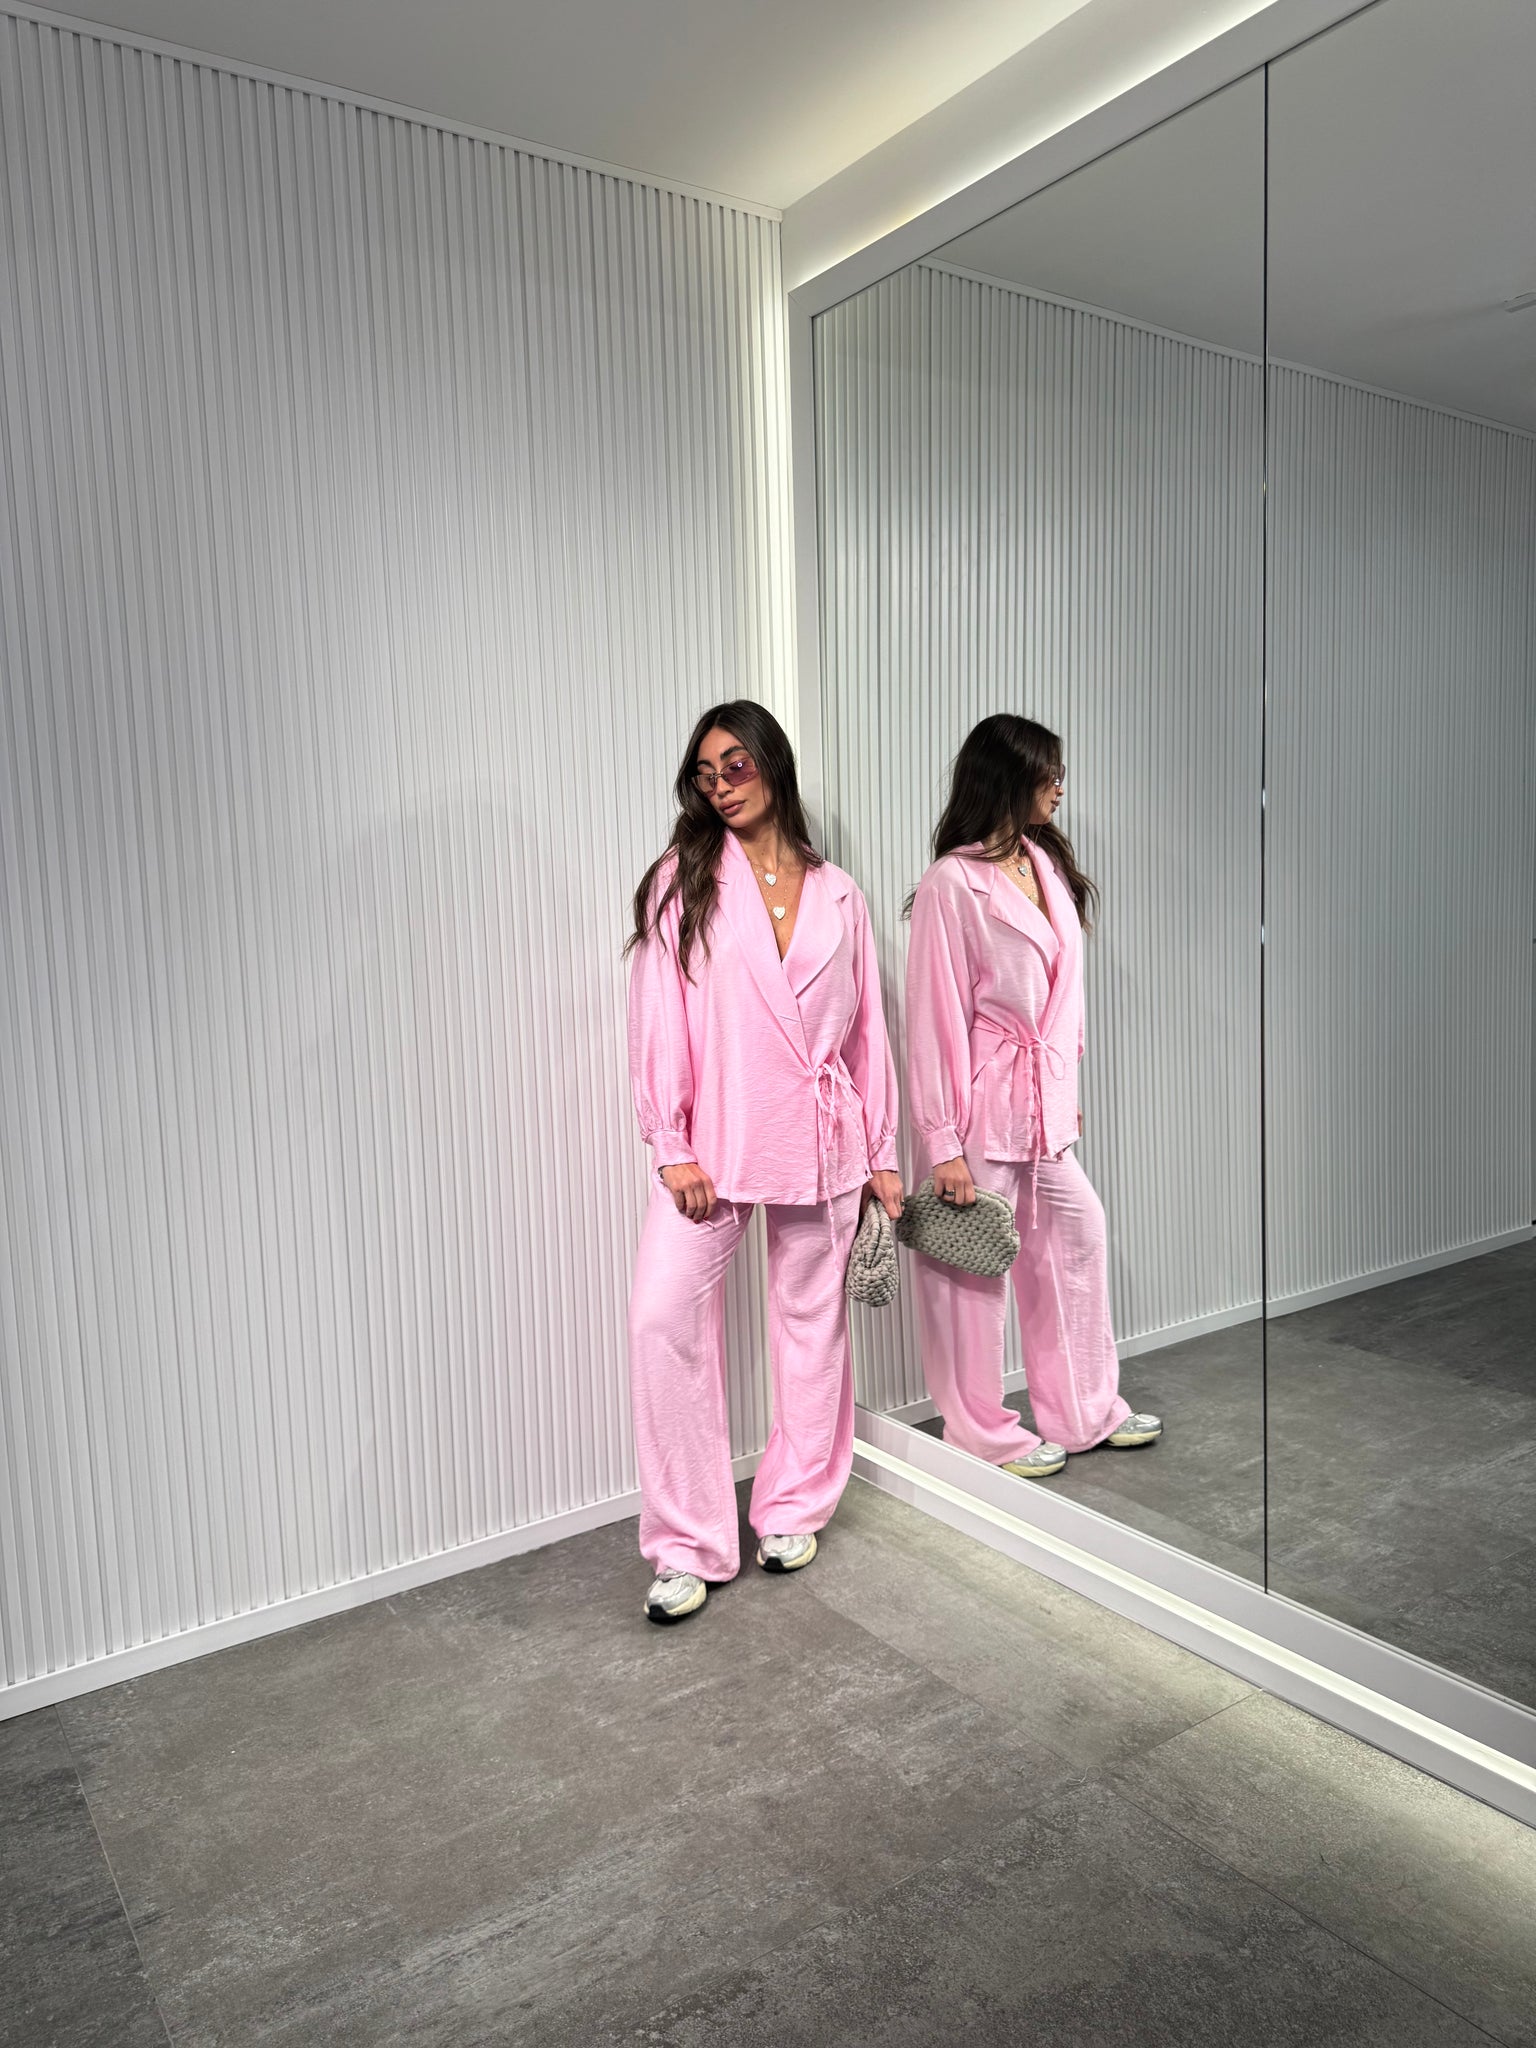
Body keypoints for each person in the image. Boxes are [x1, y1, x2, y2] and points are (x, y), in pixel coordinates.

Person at [626, 700, 903, 1622]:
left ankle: (792, 1506)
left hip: (823, 1135)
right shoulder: (683, 880)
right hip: (716, 1137)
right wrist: (670, 1143)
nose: (721, 786)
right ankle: (688, 1542)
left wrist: (881, 1154)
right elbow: (658, 1013)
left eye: (735, 765)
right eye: (706, 775)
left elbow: (867, 1033)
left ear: (772, 762)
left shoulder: (839, 893)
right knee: (661, 1316)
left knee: (811, 1323)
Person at [904, 713, 1160, 1479]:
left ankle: (1083, 1411)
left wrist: (1060, 1088)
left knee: (1076, 1236)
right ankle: (982, 1433)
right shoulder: (953, 882)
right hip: (982, 1110)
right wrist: (942, 1143)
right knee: (975, 1271)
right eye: (1049, 773)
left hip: (1041, 1106)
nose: (1060, 787)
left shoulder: (1043, 864)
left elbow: (1066, 1002)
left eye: (1059, 773)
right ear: (1008, 778)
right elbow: (933, 1017)